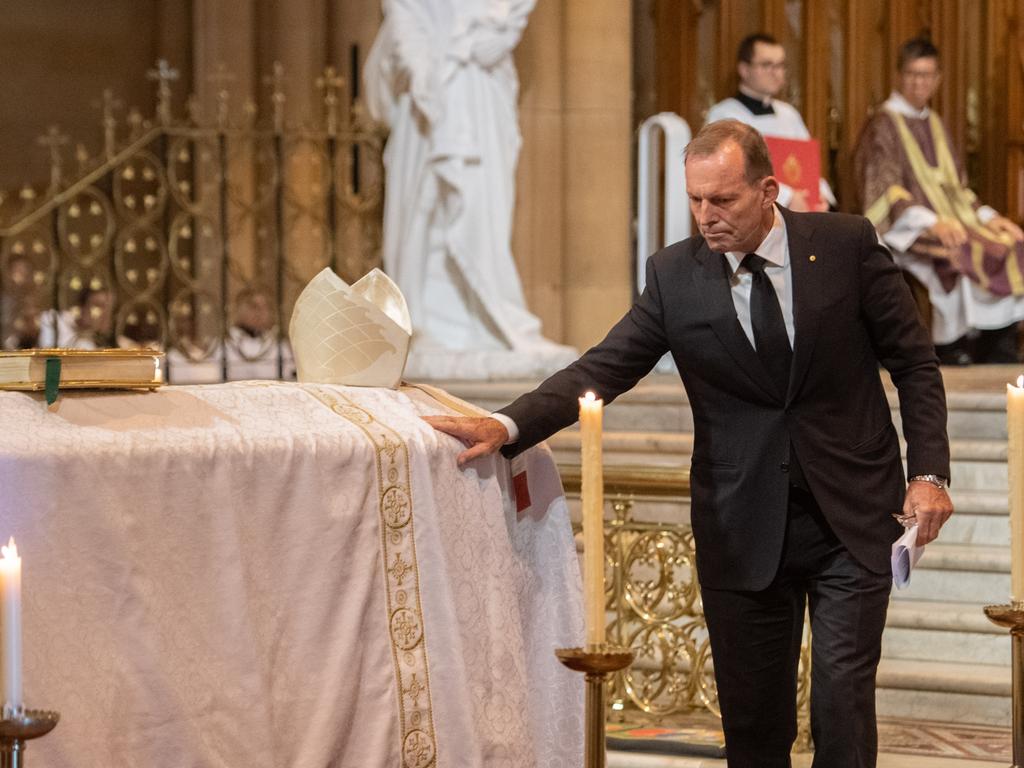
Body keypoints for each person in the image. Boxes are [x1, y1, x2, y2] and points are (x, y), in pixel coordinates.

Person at [426, 120, 953, 768]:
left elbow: (915, 364)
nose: (706, 216)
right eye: (696, 199)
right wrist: (507, 425)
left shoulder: (845, 245)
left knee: (841, 707)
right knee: (755, 728)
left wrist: (929, 472)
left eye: (723, 200)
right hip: (741, 522)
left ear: (768, 190)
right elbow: (603, 367)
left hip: (853, 511)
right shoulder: (675, 276)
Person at [362, 0, 576, 379]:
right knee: (422, 209)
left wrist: (503, 34)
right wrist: (422, 70)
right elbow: (405, 19)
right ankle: (419, 322)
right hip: (429, 89)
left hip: (480, 92)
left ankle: (491, 320)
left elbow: (512, 13)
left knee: (482, 208)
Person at [854, 36, 1024, 364]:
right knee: (959, 247)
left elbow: (956, 188)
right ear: (899, 76)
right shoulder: (884, 124)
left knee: (1012, 241)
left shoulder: (934, 122)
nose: (920, 82)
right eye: (913, 74)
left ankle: (996, 340)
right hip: (906, 226)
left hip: (954, 219)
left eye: (927, 75)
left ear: (938, 79)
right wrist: (933, 222)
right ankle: (951, 343)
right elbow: (884, 189)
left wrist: (990, 217)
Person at [707, 33, 835, 212]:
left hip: (800, 212)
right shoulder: (724, 114)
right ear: (744, 69)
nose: (776, 73)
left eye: (781, 65)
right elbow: (734, 173)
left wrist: (820, 196)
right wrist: (788, 197)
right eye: (767, 65)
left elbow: (808, 165)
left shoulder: (788, 114)